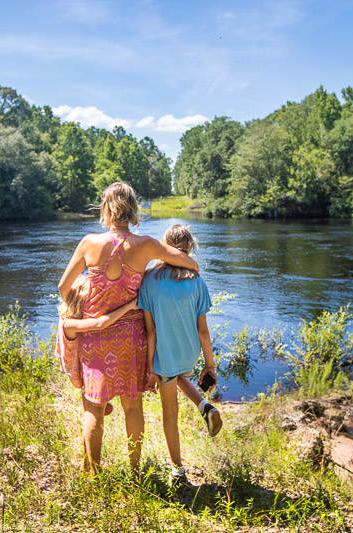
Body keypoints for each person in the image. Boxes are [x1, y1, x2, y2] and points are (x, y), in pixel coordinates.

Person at [58, 182, 198, 474]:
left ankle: (94, 473)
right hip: (132, 338)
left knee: (94, 408)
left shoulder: (89, 243)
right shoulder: (146, 244)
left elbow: (63, 287)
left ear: (106, 209)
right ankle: (134, 471)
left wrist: (87, 290)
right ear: (133, 209)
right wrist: (153, 271)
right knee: (132, 407)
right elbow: (189, 264)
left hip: (95, 338)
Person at [138, 224, 223, 486]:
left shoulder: (150, 279)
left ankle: (178, 471)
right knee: (177, 374)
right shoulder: (197, 281)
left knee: (169, 413)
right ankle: (204, 405)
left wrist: (151, 366)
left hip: (164, 354)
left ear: (165, 246)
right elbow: (203, 330)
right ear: (189, 249)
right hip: (189, 353)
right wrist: (210, 365)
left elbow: (150, 330)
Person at [55, 274, 140, 417]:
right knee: (95, 410)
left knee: (97, 408)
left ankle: (86, 437)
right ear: (82, 300)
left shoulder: (67, 319)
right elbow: (100, 324)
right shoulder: (69, 324)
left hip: (82, 364)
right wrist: (130, 306)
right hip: (78, 368)